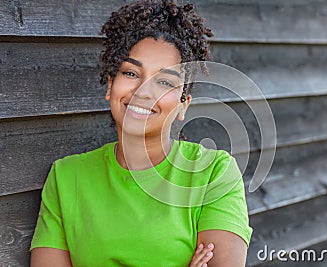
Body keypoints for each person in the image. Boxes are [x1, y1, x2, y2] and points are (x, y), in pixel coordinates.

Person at [30, 0, 252, 266]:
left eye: (164, 82)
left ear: (183, 104)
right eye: (131, 72)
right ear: (111, 86)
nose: (143, 92)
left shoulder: (214, 173)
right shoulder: (66, 178)